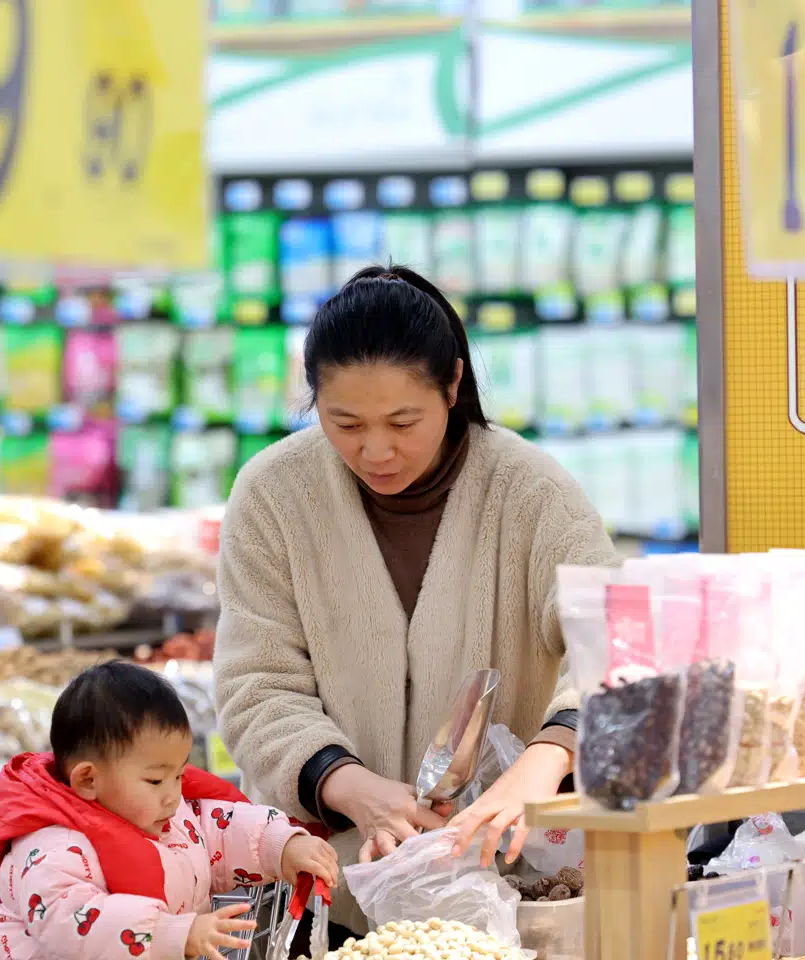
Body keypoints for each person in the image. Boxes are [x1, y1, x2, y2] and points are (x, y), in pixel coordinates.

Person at [212, 265, 619, 935]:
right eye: (344, 423)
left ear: (453, 385)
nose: (376, 450)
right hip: (323, 889)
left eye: (404, 421)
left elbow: (614, 640)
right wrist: (352, 788)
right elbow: (256, 687)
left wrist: (549, 756)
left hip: (503, 888)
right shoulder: (273, 496)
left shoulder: (531, 493)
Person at [0, 661, 339, 960]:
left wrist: (282, 845)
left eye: (179, 775)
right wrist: (172, 934)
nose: (173, 796)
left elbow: (220, 830)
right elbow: (71, 922)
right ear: (87, 780)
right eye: (155, 781)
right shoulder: (51, 847)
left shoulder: (163, 814)